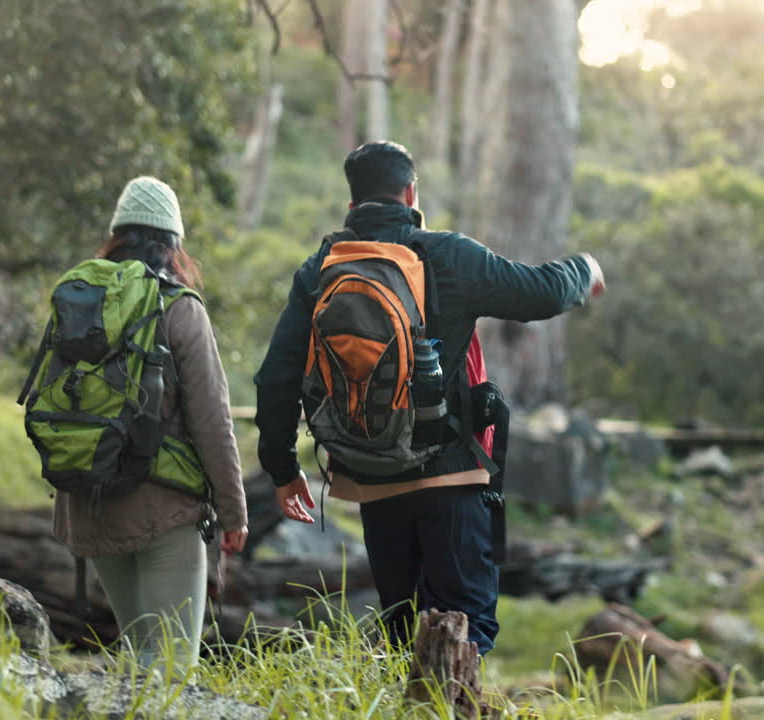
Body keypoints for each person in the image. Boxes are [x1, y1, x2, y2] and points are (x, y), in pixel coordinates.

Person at [254, 142, 605, 654]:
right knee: (462, 632)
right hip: (451, 476)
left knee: (401, 636)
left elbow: (276, 378)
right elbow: (539, 293)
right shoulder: (447, 255)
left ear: (352, 206)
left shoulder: (321, 270)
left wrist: (283, 470)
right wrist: (586, 269)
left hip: (371, 478)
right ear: (411, 192)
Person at [51, 176, 249, 671]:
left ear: (117, 237)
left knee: (141, 658)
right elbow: (212, 419)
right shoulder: (179, 307)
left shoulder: (78, 302)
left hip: (88, 498)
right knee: (173, 669)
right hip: (163, 505)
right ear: (173, 245)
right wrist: (234, 511)